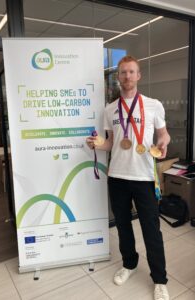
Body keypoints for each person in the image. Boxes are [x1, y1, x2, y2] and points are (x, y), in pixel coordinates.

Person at [86, 55, 171, 300]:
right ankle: (130, 265)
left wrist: (163, 143)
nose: (127, 76)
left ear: (139, 75)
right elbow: (112, 143)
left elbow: (164, 135)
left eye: (132, 72)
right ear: (118, 77)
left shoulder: (153, 104)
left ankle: (160, 279)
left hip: (144, 176)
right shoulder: (110, 109)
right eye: (123, 72)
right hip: (118, 176)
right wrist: (97, 144)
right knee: (123, 226)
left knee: (151, 230)